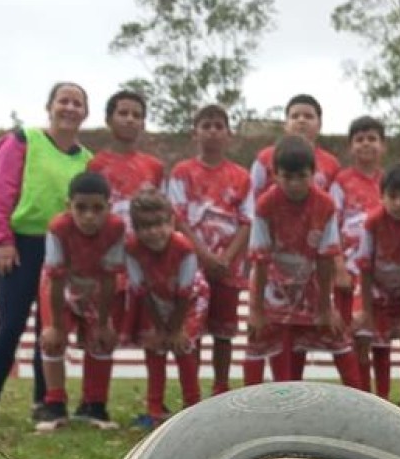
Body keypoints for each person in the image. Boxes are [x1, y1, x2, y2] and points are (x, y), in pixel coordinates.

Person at [0, 81, 92, 426]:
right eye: (63, 101)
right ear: (49, 106)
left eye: (77, 103)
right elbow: (2, 191)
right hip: (22, 244)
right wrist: (1, 239)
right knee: (10, 324)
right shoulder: (23, 140)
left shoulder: (87, 160)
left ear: (85, 113)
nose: (70, 108)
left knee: (51, 327)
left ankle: (46, 401)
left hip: (64, 250)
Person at [246, 134, 362, 388]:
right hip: (275, 288)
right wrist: (256, 310)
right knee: (274, 348)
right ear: (275, 175)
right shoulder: (265, 205)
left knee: (339, 341)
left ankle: (362, 400)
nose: (295, 184)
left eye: (302, 176)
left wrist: (325, 308)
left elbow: (326, 258)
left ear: (313, 174)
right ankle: (277, 403)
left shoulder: (325, 205)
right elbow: (260, 259)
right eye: (287, 177)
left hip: (311, 285)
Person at [166, 104, 251, 398]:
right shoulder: (182, 173)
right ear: (195, 133)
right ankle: (192, 392)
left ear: (228, 134)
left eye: (218, 126)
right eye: (206, 126)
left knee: (224, 332)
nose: (212, 132)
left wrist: (226, 258)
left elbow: (246, 221)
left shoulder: (241, 176)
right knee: (193, 329)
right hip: (192, 267)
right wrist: (203, 256)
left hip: (228, 268)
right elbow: (177, 218)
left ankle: (221, 388)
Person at [32, 170, 125, 432]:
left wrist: (103, 323)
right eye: (81, 208)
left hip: (96, 287)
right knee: (53, 340)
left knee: (101, 340)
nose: (89, 216)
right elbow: (56, 278)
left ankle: (94, 404)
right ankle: (54, 403)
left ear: (108, 207)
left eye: (97, 208)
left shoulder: (116, 228)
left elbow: (109, 278)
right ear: (68, 206)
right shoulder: (58, 228)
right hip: (61, 286)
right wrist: (55, 325)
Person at [123, 191, 209, 428]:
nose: (153, 232)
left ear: (171, 221)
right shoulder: (131, 249)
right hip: (155, 298)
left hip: (190, 301)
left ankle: (193, 406)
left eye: (159, 224)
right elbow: (141, 291)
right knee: (154, 347)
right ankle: (154, 408)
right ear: (135, 228)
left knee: (183, 348)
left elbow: (184, 293)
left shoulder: (184, 248)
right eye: (145, 226)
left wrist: (176, 329)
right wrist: (160, 329)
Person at [353, 163, 400, 411]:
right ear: (382, 196)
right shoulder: (373, 222)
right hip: (375, 289)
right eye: (392, 196)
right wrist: (366, 310)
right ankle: (372, 402)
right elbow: (365, 266)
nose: (398, 203)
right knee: (372, 339)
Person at [330, 115, 386, 327]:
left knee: (377, 331)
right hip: (350, 268)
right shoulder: (341, 181)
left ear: (383, 146)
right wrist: (339, 269)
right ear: (350, 147)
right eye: (359, 139)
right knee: (349, 328)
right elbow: (331, 226)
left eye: (372, 139)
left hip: (382, 269)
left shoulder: (390, 183)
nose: (365, 144)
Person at [88, 89, 165, 232]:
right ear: (109, 120)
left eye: (137, 115)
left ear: (143, 124)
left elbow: (163, 213)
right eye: (123, 113)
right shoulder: (95, 165)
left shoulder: (155, 167)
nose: (130, 119)